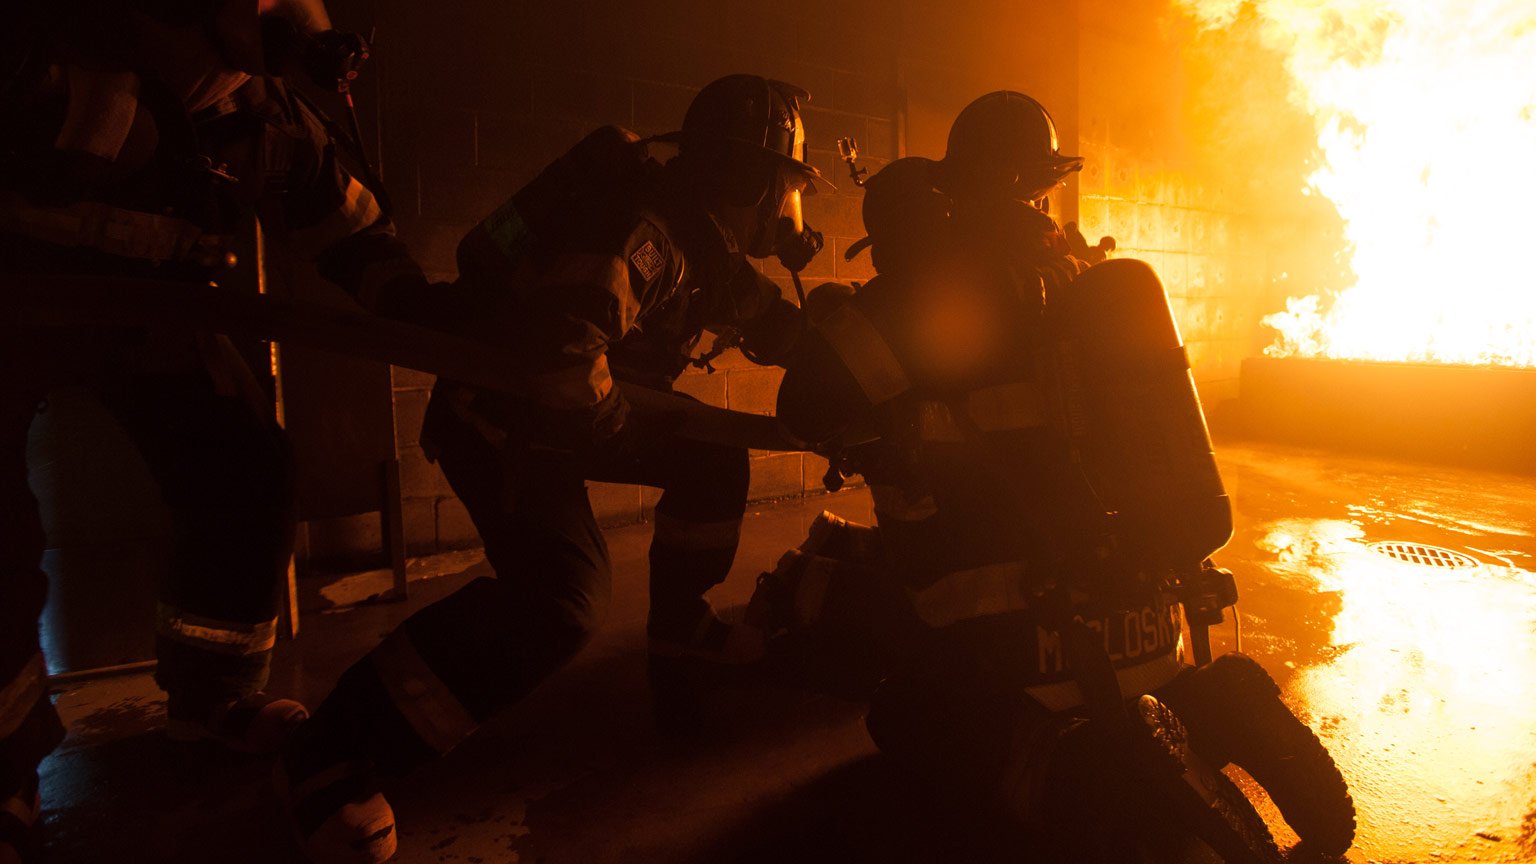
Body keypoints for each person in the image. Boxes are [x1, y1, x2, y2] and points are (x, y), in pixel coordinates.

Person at [755, 91, 1355, 858]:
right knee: (1154, 693)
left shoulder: (919, 300)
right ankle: (1207, 708)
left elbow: (802, 407)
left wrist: (853, 339)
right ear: (1042, 185)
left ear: (954, 188)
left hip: (1009, 639)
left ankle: (1081, 769)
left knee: (905, 718)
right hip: (1151, 630)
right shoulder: (1101, 285)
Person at [278, 74, 829, 863]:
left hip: (569, 418)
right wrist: (627, 428)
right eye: (788, 182)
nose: (792, 206)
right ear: (752, 178)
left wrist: (851, 351)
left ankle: (681, 636)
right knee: (561, 600)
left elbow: (774, 325)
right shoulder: (646, 234)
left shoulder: (703, 245)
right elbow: (563, 352)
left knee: (712, 460)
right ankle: (332, 748)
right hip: (500, 426)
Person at [0, 1, 441, 860]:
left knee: (246, 468)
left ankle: (211, 702)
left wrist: (420, 307)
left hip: (155, 319)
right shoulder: (42, 55)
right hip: (13, 305)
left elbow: (350, 229)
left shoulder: (261, 116)